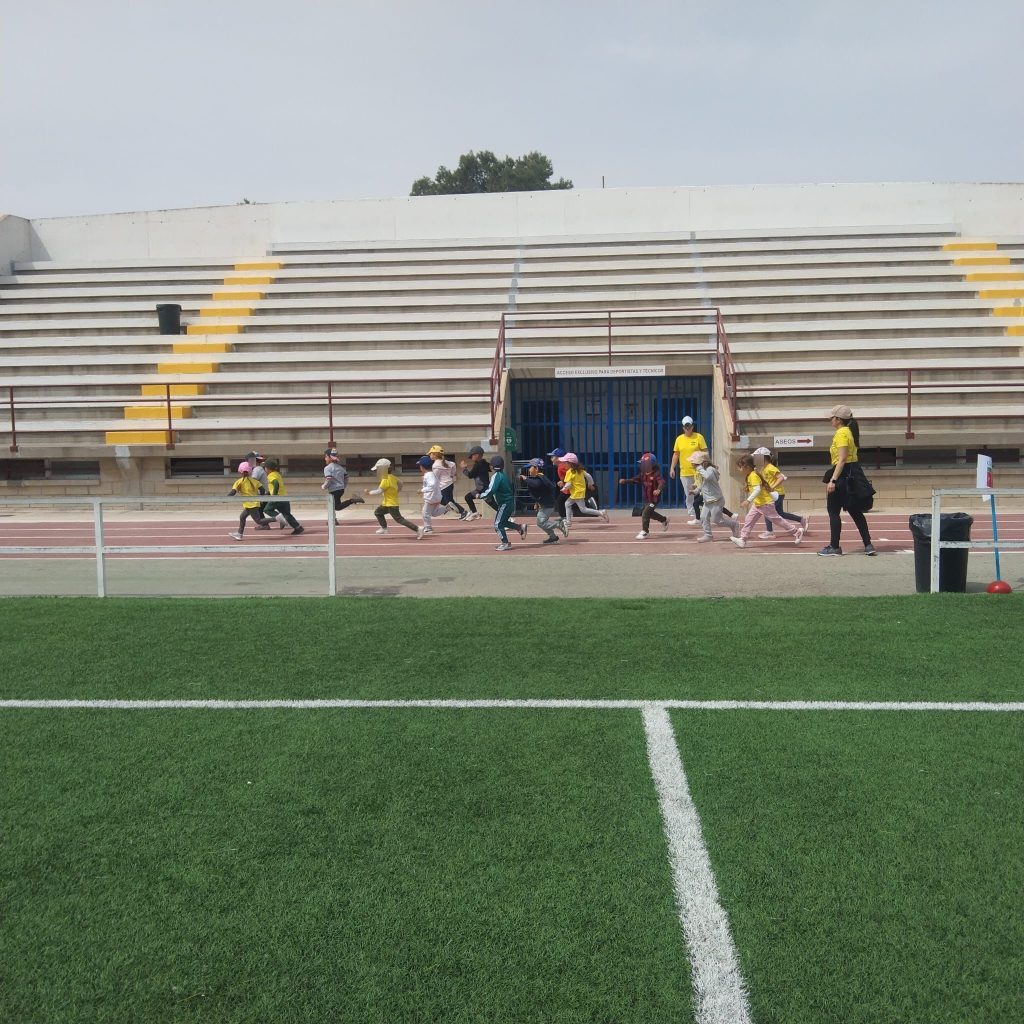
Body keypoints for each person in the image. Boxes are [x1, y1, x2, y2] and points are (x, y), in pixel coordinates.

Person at [819, 404, 876, 556]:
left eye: (832, 418)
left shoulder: (841, 433)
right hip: (852, 475)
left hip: (842, 476)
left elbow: (842, 459)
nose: (830, 420)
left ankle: (834, 546)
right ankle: (868, 544)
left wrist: (833, 480)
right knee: (856, 512)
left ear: (838, 419)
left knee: (833, 511)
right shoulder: (849, 432)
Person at [730, 454, 805, 548]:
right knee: (749, 519)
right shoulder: (751, 475)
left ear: (747, 467)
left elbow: (757, 490)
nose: (739, 469)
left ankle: (797, 532)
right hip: (758, 504)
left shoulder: (753, 476)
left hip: (765, 504)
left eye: (740, 467)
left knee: (777, 520)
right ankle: (743, 539)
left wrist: (748, 501)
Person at [753, 447, 808, 540]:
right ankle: (801, 519)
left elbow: (781, 477)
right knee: (780, 513)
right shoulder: (764, 468)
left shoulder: (771, 467)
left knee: (767, 511)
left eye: (757, 457)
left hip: (777, 494)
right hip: (775, 494)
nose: (755, 459)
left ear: (763, 457)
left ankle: (769, 531)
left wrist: (772, 487)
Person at [364, 458, 424, 539]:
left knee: (399, 520)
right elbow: (401, 483)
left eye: (377, 470)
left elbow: (379, 491)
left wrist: (369, 493)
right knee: (378, 512)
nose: (377, 472)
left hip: (391, 504)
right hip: (387, 503)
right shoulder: (392, 477)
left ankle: (417, 529)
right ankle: (384, 529)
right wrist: (397, 491)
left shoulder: (385, 479)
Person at [477, 455, 526, 551]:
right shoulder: (503, 475)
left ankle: (505, 543)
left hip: (505, 503)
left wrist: (480, 495)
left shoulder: (496, 476)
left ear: (493, 466)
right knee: (502, 522)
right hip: (508, 503)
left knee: (497, 525)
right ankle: (520, 528)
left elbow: (491, 490)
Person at [689, 451, 739, 542]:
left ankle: (733, 524)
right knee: (703, 517)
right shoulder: (703, 472)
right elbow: (702, 485)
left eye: (695, 464)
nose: (693, 465)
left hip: (716, 500)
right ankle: (708, 535)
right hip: (707, 500)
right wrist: (695, 491)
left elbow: (708, 477)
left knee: (717, 521)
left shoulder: (710, 470)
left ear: (702, 463)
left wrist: (699, 468)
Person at [618, 452, 669, 539]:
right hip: (646, 498)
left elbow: (662, 482)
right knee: (649, 513)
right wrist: (625, 481)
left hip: (654, 499)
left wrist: (658, 490)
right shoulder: (643, 474)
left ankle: (645, 531)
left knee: (645, 513)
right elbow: (635, 480)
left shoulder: (656, 474)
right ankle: (664, 520)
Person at [668, 417, 709, 525]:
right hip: (685, 472)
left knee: (702, 493)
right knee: (689, 494)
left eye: (689, 426)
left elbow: (705, 452)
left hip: (698, 471)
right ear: (683, 427)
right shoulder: (679, 439)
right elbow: (676, 454)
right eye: (685, 426)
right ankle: (693, 514)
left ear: (692, 426)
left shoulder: (699, 437)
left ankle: (703, 513)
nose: (687, 428)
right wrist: (672, 468)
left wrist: (705, 465)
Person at [518, 458, 567, 544]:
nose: (529, 470)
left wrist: (525, 478)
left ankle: (559, 524)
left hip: (548, 505)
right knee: (542, 522)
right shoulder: (540, 477)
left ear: (536, 468)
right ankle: (553, 537)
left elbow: (536, 484)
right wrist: (537, 502)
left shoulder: (541, 477)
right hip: (546, 504)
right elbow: (540, 491)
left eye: (530, 467)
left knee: (541, 523)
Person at [559, 453, 609, 525]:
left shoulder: (569, 472)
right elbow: (588, 476)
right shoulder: (580, 470)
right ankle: (568, 521)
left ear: (570, 463)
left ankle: (601, 512)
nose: (564, 464)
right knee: (567, 504)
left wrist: (564, 488)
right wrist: (590, 484)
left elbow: (569, 484)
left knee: (583, 509)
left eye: (565, 463)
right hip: (579, 492)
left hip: (577, 493)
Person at [227, 461, 270, 541]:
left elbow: (233, 492)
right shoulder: (254, 481)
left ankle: (277, 518)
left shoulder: (239, 482)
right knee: (242, 517)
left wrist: (225, 498)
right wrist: (260, 497)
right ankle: (239, 534)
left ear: (240, 471)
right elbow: (262, 490)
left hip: (250, 505)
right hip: (254, 503)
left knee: (259, 521)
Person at [322, 447, 365, 524]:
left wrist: (324, 486)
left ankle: (352, 500)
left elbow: (328, 478)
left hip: (334, 490)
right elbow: (346, 477)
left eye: (326, 457)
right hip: (341, 489)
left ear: (330, 458)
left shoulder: (327, 468)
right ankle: (333, 520)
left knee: (336, 506)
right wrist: (343, 486)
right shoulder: (340, 468)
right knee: (332, 505)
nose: (325, 459)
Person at [263, 458, 304, 535]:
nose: (264, 469)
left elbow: (276, 483)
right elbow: (275, 485)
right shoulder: (277, 474)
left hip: (278, 497)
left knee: (267, 509)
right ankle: (298, 528)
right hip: (284, 497)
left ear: (268, 468)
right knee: (286, 514)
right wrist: (269, 493)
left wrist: (274, 496)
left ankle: (280, 518)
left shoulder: (270, 475)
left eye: (265, 467)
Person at [428, 444, 468, 520]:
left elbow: (435, 478)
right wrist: (452, 475)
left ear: (435, 454)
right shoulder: (446, 462)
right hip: (449, 484)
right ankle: (450, 507)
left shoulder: (436, 465)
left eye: (430, 453)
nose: (429, 455)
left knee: (449, 502)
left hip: (444, 486)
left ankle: (464, 512)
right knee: (442, 500)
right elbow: (453, 465)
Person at [459, 446, 491, 520]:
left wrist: (464, 468)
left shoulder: (479, 464)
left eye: (472, 456)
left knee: (493, 505)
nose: (471, 458)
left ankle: (508, 517)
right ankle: (475, 513)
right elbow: (488, 467)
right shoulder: (483, 463)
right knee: (468, 497)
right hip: (480, 489)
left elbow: (470, 475)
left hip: (484, 489)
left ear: (477, 455)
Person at [416, 455, 444, 535]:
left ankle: (428, 528)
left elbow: (432, 485)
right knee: (434, 513)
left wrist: (422, 490)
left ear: (422, 467)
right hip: (436, 497)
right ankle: (446, 508)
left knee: (425, 513)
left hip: (431, 497)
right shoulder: (431, 474)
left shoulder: (428, 475)